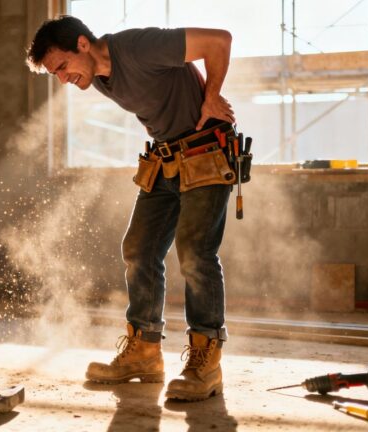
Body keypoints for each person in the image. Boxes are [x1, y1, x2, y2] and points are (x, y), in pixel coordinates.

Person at [26, 15, 237, 402]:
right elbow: (156, 98)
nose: (63, 79)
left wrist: (211, 97)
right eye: (55, 74)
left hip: (207, 151)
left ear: (83, 44)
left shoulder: (139, 46)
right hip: (167, 157)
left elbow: (219, 40)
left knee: (195, 253)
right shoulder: (97, 77)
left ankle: (207, 361)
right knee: (139, 249)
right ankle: (144, 351)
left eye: (62, 67)